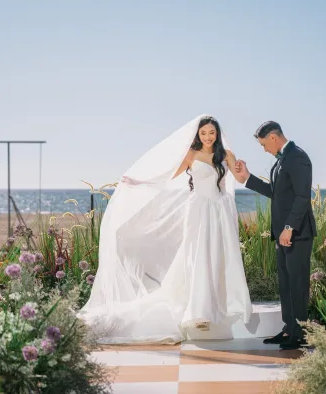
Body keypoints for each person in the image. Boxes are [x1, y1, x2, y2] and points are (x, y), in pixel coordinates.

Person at [78, 115, 252, 344]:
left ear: (217, 133)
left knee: (218, 258)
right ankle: (199, 312)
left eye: (211, 132)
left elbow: (239, 178)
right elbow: (169, 176)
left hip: (219, 213)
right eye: (203, 133)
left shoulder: (226, 155)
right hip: (199, 211)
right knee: (197, 256)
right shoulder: (191, 155)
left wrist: (243, 170)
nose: (208, 137)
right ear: (197, 135)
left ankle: (217, 306)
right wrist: (139, 182)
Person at [235, 121, 316, 350]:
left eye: (263, 145)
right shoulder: (282, 159)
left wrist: (289, 227)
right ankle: (289, 328)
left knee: (298, 283)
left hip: (297, 234)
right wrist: (248, 178)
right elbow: (275, 193)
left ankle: (300, 334)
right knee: (286, 284)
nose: (264, 150)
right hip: (282, 234)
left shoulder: (297, 157)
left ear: (272, 137)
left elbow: (302, 197)